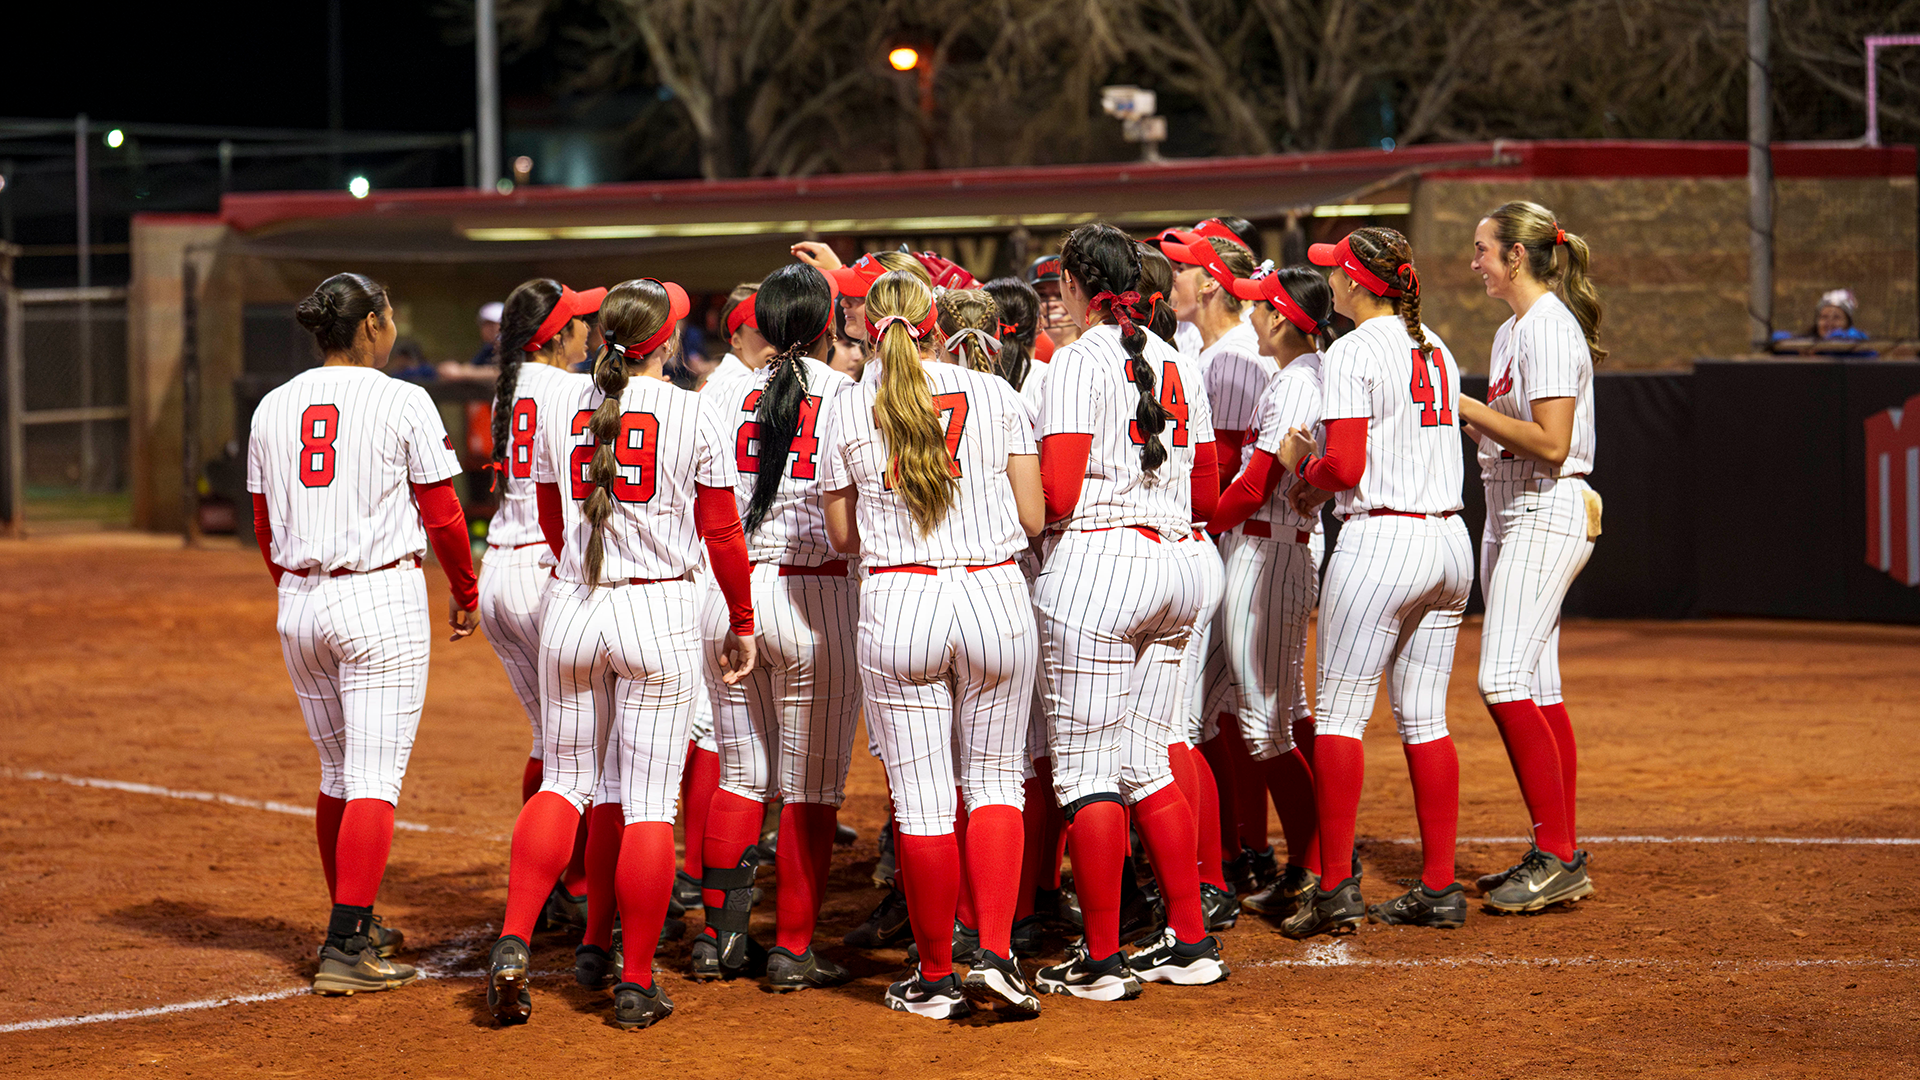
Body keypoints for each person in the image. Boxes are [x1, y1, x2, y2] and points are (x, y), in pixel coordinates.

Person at [486, 276, 757, 1031]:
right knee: (644, 806)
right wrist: (740, 616)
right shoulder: (691, 409)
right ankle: (634, 981)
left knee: (566, 783)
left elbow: (545, 513)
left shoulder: (561, 403)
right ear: (666, 342)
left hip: (573, 602)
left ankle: (513, 942)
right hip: (657, 610)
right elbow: (723, 534)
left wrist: (580, 570)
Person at [819, 269, 1046, 1019]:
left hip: (901, 598)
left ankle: (938, 975)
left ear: (867, 326)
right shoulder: (997, 393)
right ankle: (998, 957)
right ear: (934, 322)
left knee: (921, 804)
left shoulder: (849, 409)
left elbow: (842, 536)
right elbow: (1035, 517)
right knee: (994, 785)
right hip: (993, 595)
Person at [246, 272, 480, 995]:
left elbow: (262, 525)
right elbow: (442, 513)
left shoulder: (272, 405)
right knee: (374, 780)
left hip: (301, 603)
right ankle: (347, 946)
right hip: (378, 597)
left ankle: (355, 916)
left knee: (339, 776)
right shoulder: (403, 398)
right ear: (373, 324)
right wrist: (466, 590)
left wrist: (295, 590)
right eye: (388, 316)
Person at [1032, 223, 1227, 999]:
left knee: (1086, 771)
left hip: (1104, 566)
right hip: (1183, 561)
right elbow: (1209, 488)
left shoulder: (1078, 360)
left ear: (1080, 286)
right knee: (1149, 759)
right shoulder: (1176, 356)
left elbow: (1059, 494)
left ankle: (1104, 959)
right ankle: (1189, 939)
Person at [1274, 227, 1472, 938]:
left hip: (1384, 539)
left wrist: (1302, 467)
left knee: (1339, 720)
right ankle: (1441, 886)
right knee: (1425, 718)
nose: (1335, 284)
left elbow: (1346, 466)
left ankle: (1333, 887)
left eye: (1340, 274)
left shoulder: (1353, 349)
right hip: (1450, 540)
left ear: (1358, 283)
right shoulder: (1436, 345)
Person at [693, 262, 863, 990]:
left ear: (756, 323)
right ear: (828, 325)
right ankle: (792, 949)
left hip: (729, 595)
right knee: (811, 789)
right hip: (814, 598)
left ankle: (717, 942)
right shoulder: (848, 395)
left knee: (739, 776)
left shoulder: (718, 393)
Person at [1458, 200, 1604, 912]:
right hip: (1512, 509)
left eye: (1483, 248)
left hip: (1546, 506)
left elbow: (1550, 442)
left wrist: (1463, 406)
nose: (1474, 260)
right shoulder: (1513, 330)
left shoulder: (1547, 326)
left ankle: (1556, 855)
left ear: (1517, 256)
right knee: (1538, 687)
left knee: (1501, 678)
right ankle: (1559, 848)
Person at [1204, 263, 1337, 918]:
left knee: (1265, 728)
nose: (1251, 314)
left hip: (1270, 548)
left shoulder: (1294, 384)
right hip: (1265, 548)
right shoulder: (1304, 376)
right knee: (1266, 717)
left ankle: (1318, 867)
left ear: (1282, 318)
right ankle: (1315, 864)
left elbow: (1255, 486)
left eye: (1259, 307)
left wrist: (1193, 525)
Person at [478, 278, 602, 937]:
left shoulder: (515, 385)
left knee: (552, 742)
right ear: (554, 336)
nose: (589, 329)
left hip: (499, 567)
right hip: (542, 570)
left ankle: (559, 883)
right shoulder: (569, 389)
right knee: (582, 754)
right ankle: (578, 886)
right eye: (579, 321)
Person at [1161, 230, 1280, 904]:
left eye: (1179, 269)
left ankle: (1242, 852)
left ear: (1209, 281)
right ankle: (1242, 849)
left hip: (1244, 543)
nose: (1169, 279)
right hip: (1226, 542)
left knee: (1235, 713)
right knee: (1229, 713)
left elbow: (1231, 475)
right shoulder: (1203, 350)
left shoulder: (1233, 358)